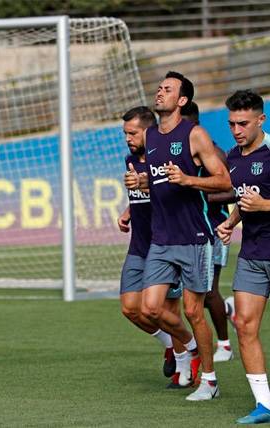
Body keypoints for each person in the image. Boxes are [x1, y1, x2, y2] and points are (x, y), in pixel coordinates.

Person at [126, 71, 232, 401]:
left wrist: (189, 180)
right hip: (161, 239)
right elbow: (160, 181)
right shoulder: (153, 136)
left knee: (193, 310)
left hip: (194, 237)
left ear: (181, 100)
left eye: (167, 90)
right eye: (159, 88)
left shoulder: (195, 134)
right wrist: (141, 184)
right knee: (151, 308)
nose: (160, 93)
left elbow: (225, 181)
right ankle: (186, 349)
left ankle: (210, 381)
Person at [118, 106, 190, 387]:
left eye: (132, 133)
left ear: (147, 131)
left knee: (168, 311)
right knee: (129, 308)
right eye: (125, 133)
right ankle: (172, 345)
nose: (127, 138)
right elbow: (140, 196)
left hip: (165, 244)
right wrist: (128, 211)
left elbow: (175, 193)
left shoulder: (164, 159)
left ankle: (185, 367)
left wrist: (149, 185)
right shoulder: (130, 159)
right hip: (139, 245)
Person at [216, 89, 270, 424]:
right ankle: (265, 404)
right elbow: (244, 198)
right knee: (244, 325)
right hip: (252, 254)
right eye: (232, 123)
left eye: (244, 123)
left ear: (261, 120)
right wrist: (231, 221)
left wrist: (265, 206)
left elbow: (259, 201)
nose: (237, 129)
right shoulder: (234, 157)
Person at [181, 101, 234, 363]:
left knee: (209, 291)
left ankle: (224, 344)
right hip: (190, 230)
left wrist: (197, 192)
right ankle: (228, 310)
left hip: (215, 229)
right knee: (195, 294)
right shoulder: (179, 153)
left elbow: (233, 190)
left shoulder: (215, 152)